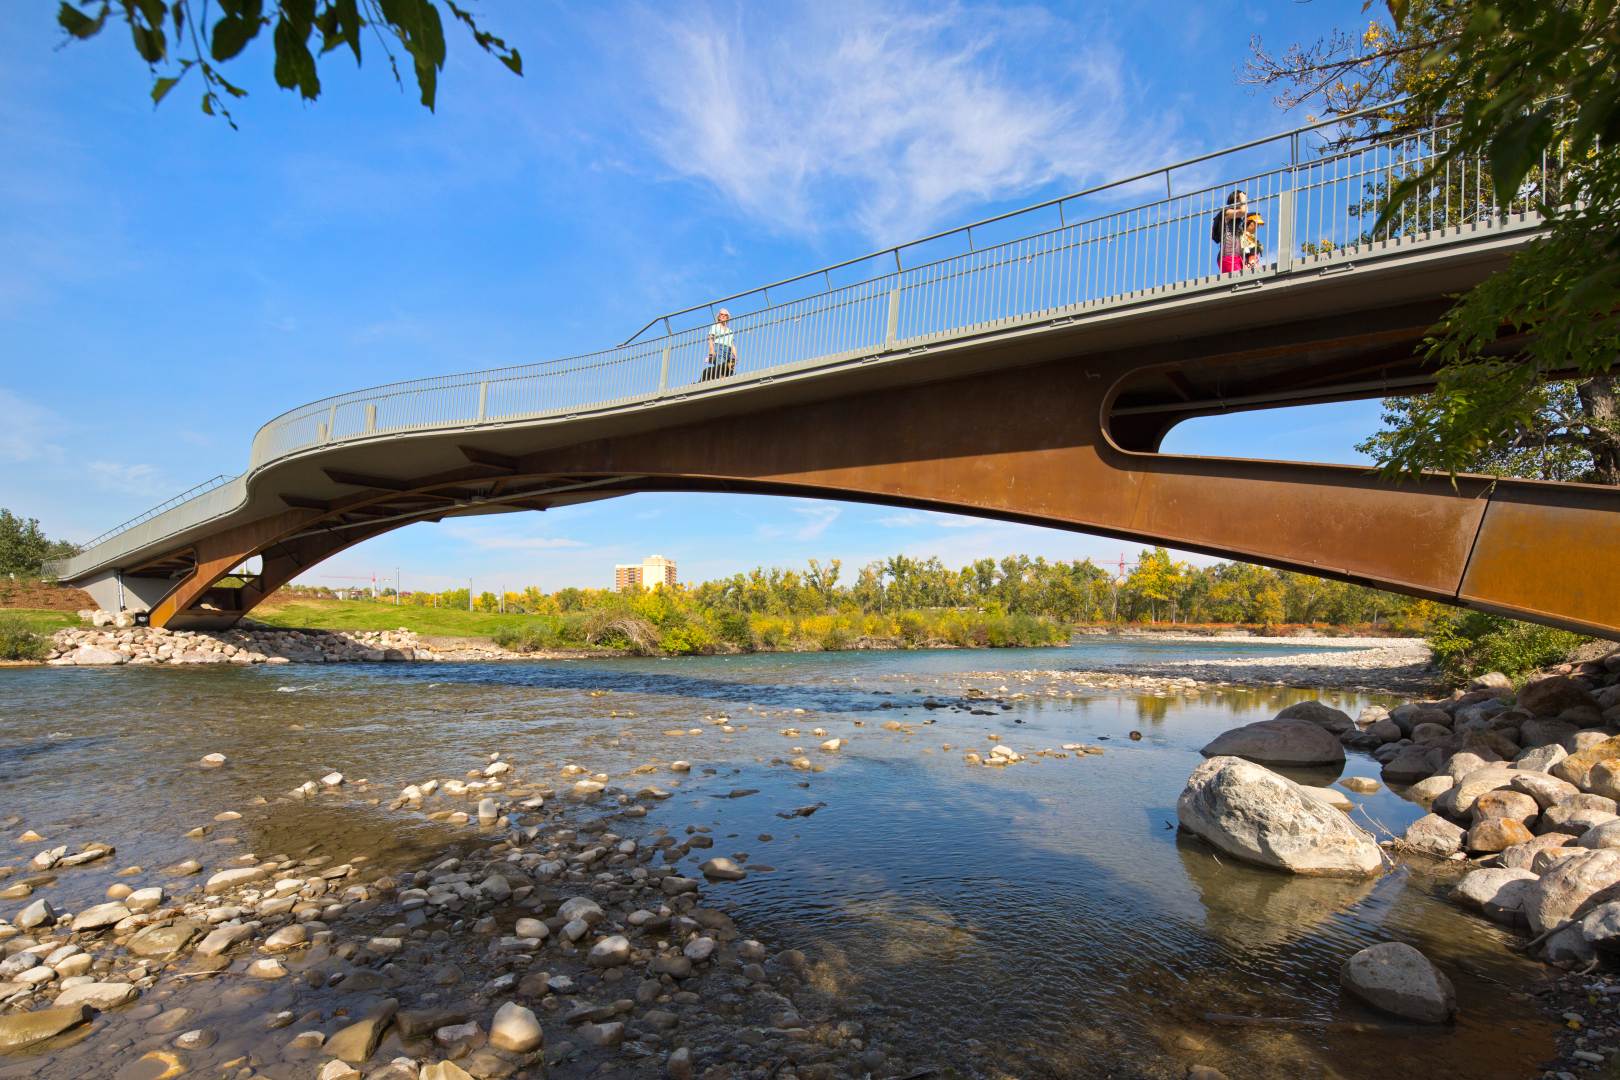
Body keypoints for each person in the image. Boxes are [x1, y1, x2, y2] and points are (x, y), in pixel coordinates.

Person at [1211, 190, 1248, 273]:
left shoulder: (1237, 221)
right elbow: (1243, 211)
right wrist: (1242, 198)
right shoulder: (1227, 212)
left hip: (1238, 257)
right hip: (1229, 255)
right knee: (1237, 282)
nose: (1245, 203)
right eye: (1242, 200)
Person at [703, 308, 737, 382]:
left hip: (728, 350)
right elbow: (710, 339)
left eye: (725, 315)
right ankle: (720, 382)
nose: (723, 316)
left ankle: (727, 382)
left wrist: (735, 355)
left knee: (729, 368)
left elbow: (732, 344)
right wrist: (711, 351)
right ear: (718, 316)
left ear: (727, 318)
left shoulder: (729, 331)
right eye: (721, 314)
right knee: (720, 367)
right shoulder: (715, 326)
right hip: (719, 348)